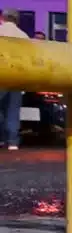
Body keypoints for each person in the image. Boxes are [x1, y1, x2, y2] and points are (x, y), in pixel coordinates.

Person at [0, 10, 27, 150]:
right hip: (17, 77)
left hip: (1, 76)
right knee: (13, 111)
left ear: (2, 18)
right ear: (17, 20)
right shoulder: (23, 35)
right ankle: (12, 142)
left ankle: (1, 138)